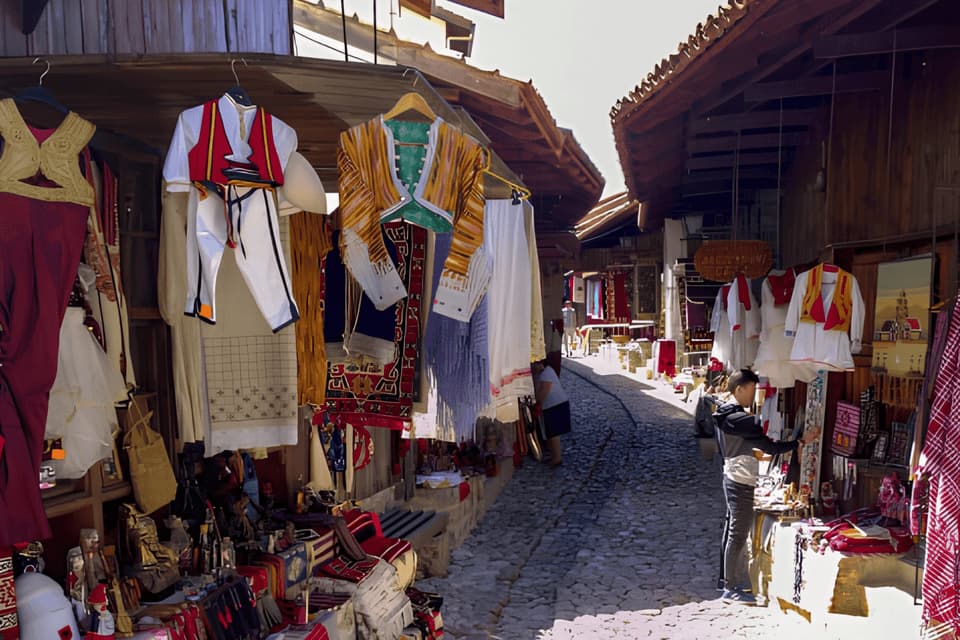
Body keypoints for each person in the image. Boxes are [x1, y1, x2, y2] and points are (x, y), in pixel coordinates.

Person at [715, 369, 820, 605]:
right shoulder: (739, 418)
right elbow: (770, 448)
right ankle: (730, 588)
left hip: (732, 476)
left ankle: (726, 582)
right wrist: (800, 441)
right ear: (740, 389)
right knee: (737, 533)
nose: (754, 396)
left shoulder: (725, 412)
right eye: (752, 390)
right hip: (739, 480)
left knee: (732, 529)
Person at [532, 360, 572, 467]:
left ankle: (557, 458)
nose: (533, 366)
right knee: (549, 433)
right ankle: (554, 455)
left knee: (554, 433)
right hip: (549, 406)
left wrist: (537, 403)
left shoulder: (547, 372)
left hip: (555, 404)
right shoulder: (540, 374)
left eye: (535, 364)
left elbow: (545, 389)